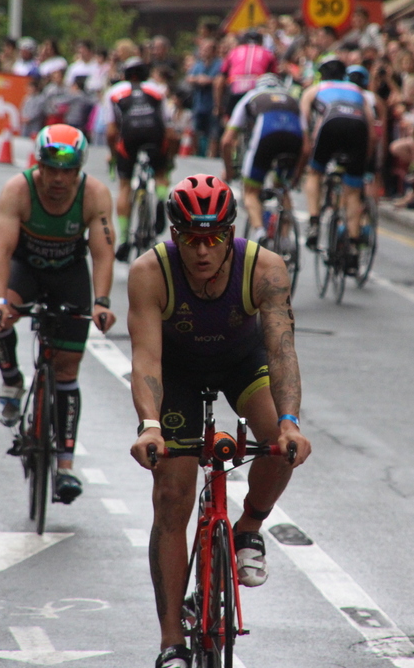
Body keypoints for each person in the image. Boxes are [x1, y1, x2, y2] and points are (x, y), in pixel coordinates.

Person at [126, 175, 311, 668]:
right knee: (172, 495)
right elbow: (146, 359)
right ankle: (171, 642)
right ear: (175, 235)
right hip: (177, 374)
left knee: (280, 444)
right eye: (191, 239)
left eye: (214, 238)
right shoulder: (150, 272)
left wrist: (290, 422)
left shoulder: (265, 267)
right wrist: (150, 425)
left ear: (231, 233)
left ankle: (248, 528)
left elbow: (281, 351)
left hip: (241, 365)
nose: (203, 250)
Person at [0, 125, 117, 504]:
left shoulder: (94, 194)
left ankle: (65, 467)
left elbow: (103, 253)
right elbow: (0, 250)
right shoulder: (18, 190)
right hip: (25, 271)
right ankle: (12, 380)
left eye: (68, 170)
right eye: (51, 169)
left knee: (67, 370)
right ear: (38, 165)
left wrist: (102, 302)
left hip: (69, 277)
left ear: (79, 170)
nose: (58, 179)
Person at [299, 55, 373, 273]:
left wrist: (306, 155)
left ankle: (314, 222)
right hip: (358, 128)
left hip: (331, 123)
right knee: (352, 191)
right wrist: (364, 161)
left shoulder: (314, 89)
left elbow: (303, 124)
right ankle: (353, 247)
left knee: (314, 173)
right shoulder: (358, 91)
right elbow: (372, 132)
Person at [102, 57, 174, 262]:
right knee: (160, 173)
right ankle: (161, 199)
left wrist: (114, 155)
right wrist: (168, 160)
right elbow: (168, 129)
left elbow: (111, 132)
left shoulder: (113, 92)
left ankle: (124, 239)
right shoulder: (156, 90)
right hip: (154, 135)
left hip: (129, 138)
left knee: (125, 186)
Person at [220, 73, 306, 242]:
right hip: (294, 140)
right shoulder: (293, 100)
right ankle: (285, 239)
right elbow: (307, 146)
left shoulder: (251, 96)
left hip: (266, 136)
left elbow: (226, 141)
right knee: (282, 188)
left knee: (250, 191)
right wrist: (297, 173)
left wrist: (229, 170)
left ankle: (260, 233)